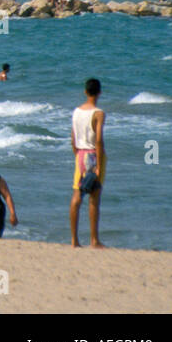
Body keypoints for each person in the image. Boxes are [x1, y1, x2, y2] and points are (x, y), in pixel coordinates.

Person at [70, 77, 106, 248]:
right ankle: (94, 240)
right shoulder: (98, 113)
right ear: (99, 92)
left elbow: (73, 138)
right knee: (94, 197)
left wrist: (77, 154)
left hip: (80, 154)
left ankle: (74, 240)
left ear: (85, 91)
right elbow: (98, 140)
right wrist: (98, 165)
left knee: (77, 196)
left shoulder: (76, 111)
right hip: (92, 154)